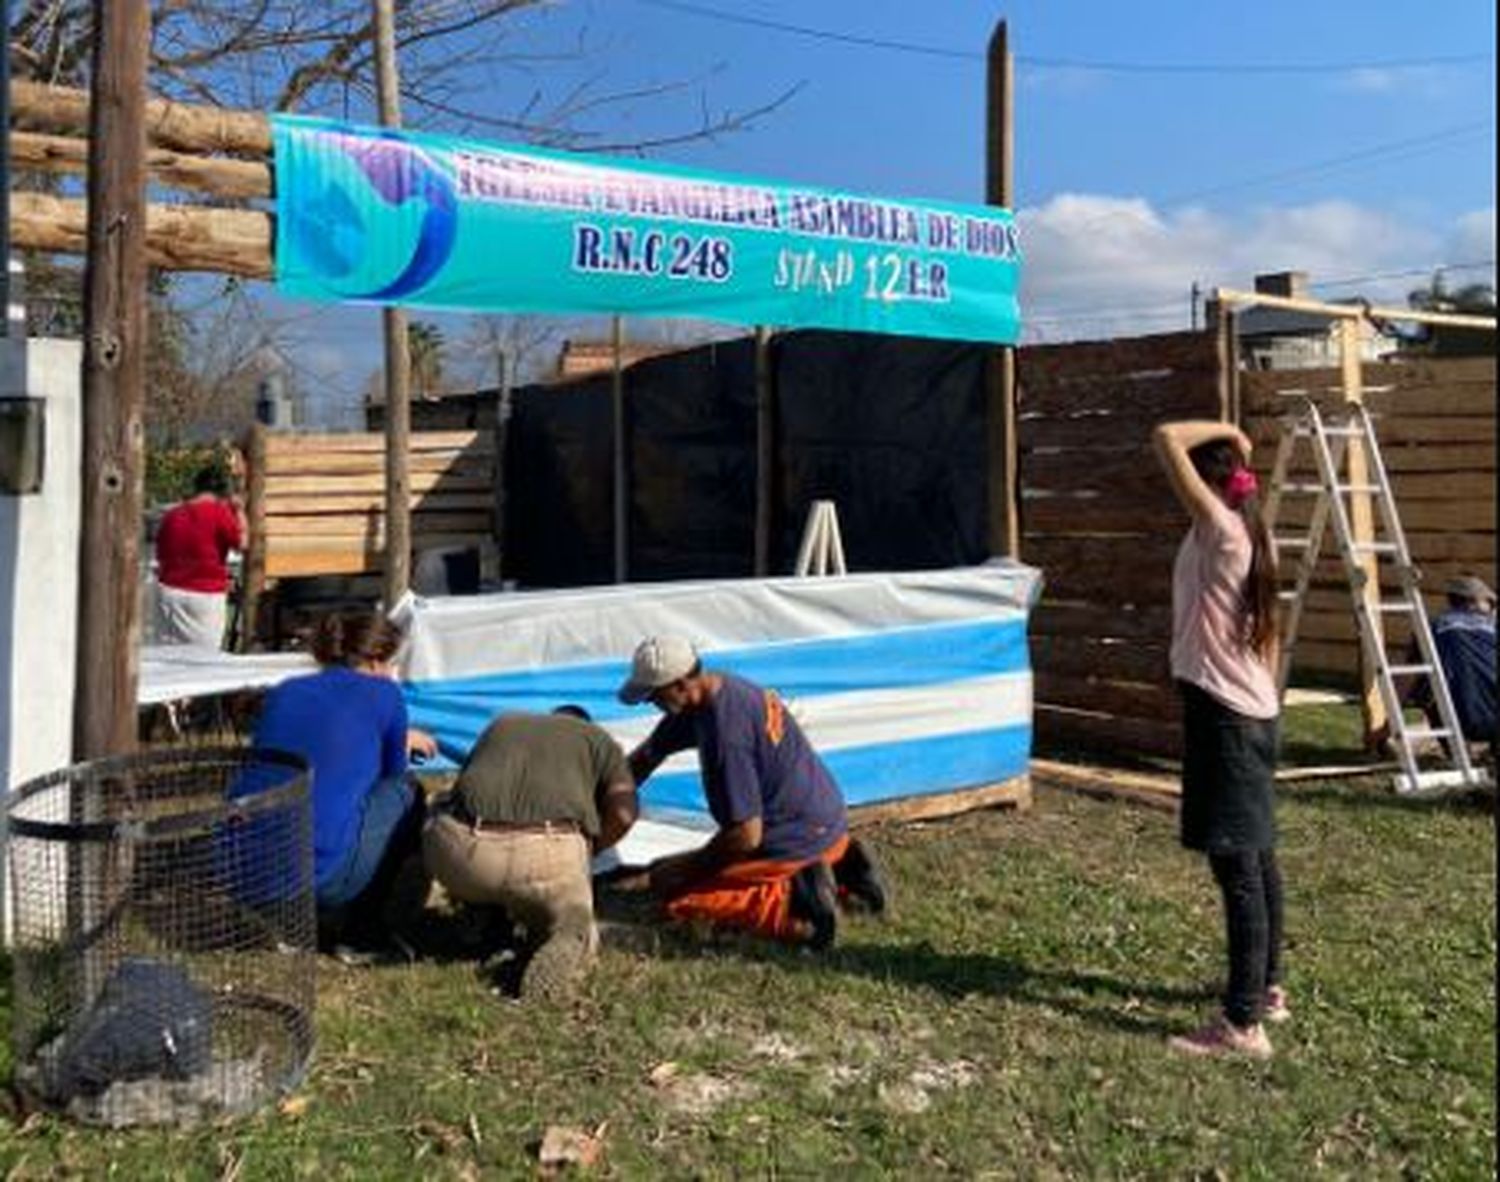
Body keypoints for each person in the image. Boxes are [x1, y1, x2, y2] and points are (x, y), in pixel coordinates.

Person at [608, 635, 887, 951]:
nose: (652, 705)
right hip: (829, 826)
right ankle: (846, 871)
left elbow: (744, 836)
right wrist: (605, 800)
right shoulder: (721, 689)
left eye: (654, 697)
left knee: (680, 899)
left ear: (679, 685)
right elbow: (647, 757)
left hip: (794, 840)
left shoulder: (725, 736)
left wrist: (684, 869)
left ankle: (799, 909)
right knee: (669, 871)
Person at [1154, 421, 1287, 1060]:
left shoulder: (1221, 528)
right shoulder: (1254, 533)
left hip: (1227, 717)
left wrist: (1230, 428)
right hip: (1252, 710)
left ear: (1207, 482)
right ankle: (1265, 991)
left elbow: (1164, 437)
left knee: (1236, 863)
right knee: (1256, 856)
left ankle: (1242, 1024)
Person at [245, 610, 436, 951]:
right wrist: (398, 739)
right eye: (392, 664)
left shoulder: (285, 691)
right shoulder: (385, 695)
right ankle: (361, 928)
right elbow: (391, 774)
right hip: (317, 877)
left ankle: (282, 918)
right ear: (377, 661)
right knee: (407, 793)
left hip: (243, 872)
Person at [422, 706, 639, 1000]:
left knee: (440, 808)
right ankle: (561, 937)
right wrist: (591, 849)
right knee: (572, 918)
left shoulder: (505, 722)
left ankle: (479, 917)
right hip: (545, 857)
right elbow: (625, 814)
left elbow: (465, 787)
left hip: (461, 859)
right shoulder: (599, 739)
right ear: (585, 724)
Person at [1377, 574, 1495, 760]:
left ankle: (1458, 754)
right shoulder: (1493, 627)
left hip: (1461, 721)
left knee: (1426, 688)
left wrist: (1385, 729)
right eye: (1490, 602)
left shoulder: (1433, 626)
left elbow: (1407, 679)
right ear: (1473, 602)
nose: (1492, 608)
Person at [154, 463, 247, 649]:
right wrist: (239, 511)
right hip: (206, 596)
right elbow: (242, 544)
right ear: (223, 493)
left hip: (169, 594)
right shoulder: (220, 512)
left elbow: (161, 554)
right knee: (204, 661)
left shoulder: (171, 515)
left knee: (168, 659)